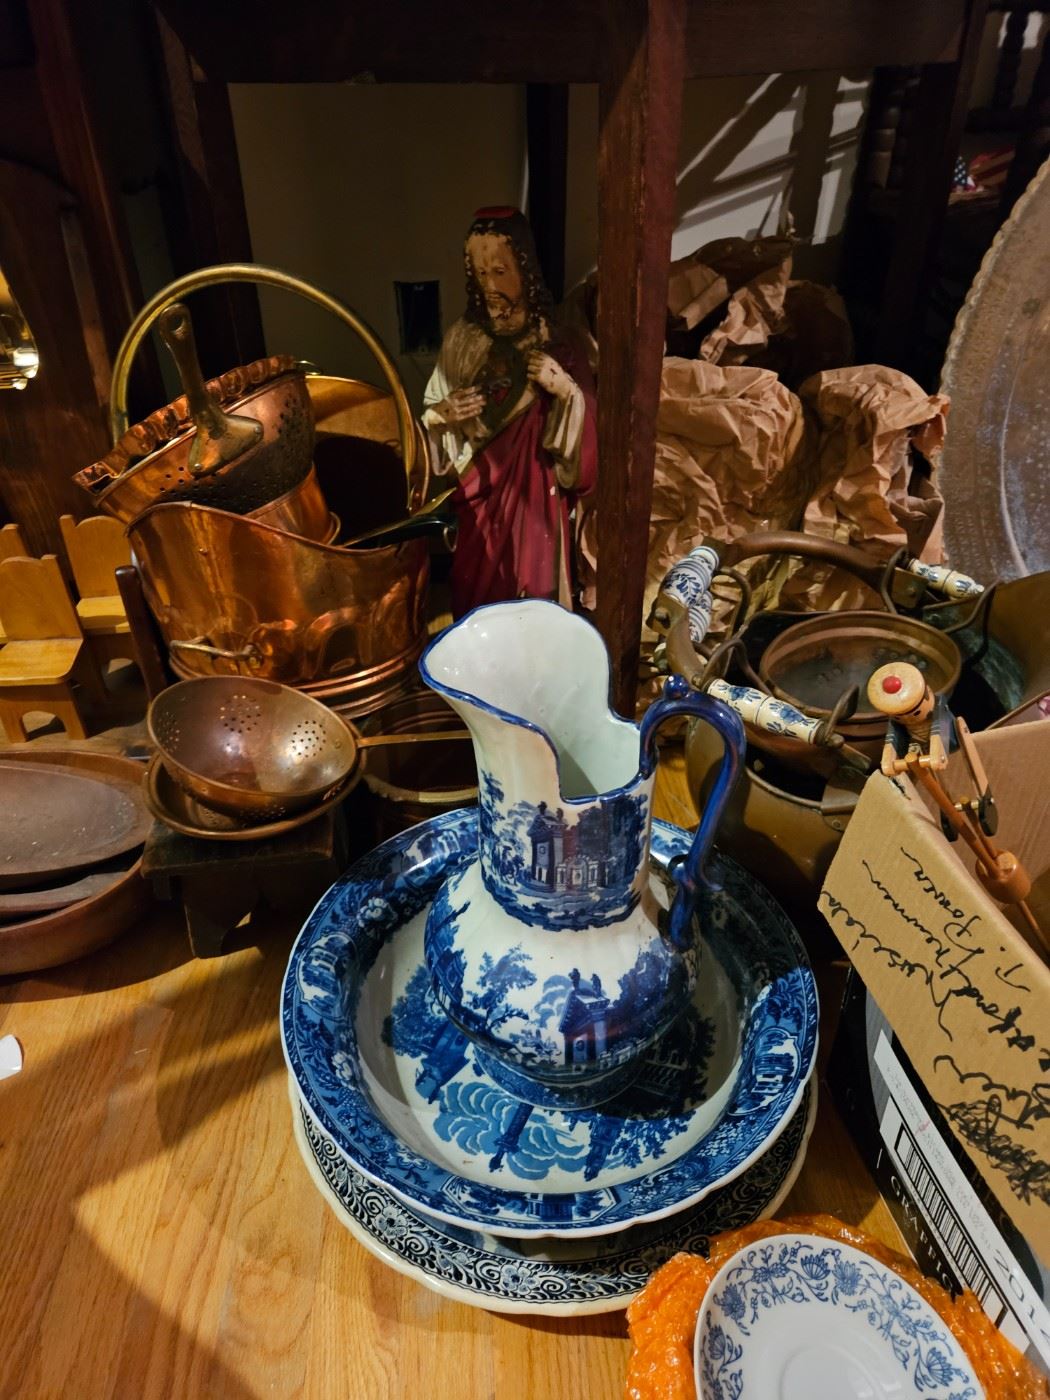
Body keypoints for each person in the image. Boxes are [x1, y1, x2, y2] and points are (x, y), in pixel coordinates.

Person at [423, 208, 597, 616]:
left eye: (500, 271)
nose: (491, 286)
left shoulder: (558, 342)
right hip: (477, 495)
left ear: (525, 268)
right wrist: (443, 415)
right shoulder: (462, 340)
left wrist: (565, 390)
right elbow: (431, 416)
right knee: (473, 584)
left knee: (532, 590)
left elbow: (588, 446)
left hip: (534, 499)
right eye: (481, 274)